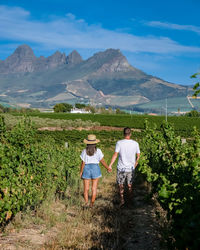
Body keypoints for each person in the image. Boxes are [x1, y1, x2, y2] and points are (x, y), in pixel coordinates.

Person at [109, 127, 140, 207]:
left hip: (121, 168)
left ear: (123, 134)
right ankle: (130, 201)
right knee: (130, 185)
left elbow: (115, 155)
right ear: (130, 134)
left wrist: (110, 165)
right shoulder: (135, 143)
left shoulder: (119, 143)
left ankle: (122, 200)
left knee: (121, 185)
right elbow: (138, 155)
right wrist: (136, 163)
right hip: (131, 168)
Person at [80, 134, 111, 207]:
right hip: (95, 168)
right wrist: (107, 168)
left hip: (86, 168)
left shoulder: (84, 151)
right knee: (94, 188)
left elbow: (83, 163)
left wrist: (81, 171)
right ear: (95, 143)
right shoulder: (98, 151)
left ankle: (86, 203)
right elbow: (102, 161)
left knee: (86, 189)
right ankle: (92, 204)